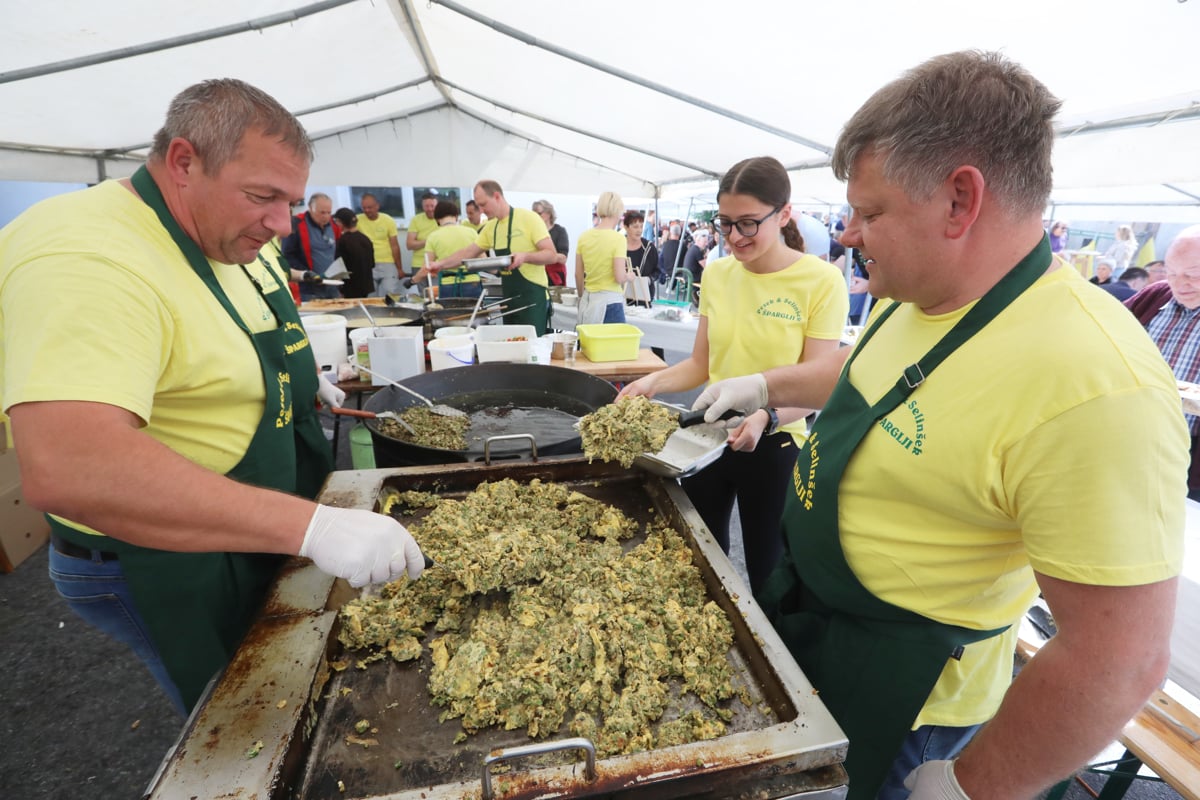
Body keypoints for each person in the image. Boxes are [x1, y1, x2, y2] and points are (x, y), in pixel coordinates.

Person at [692, 51, 1186, 800]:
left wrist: (972, 784)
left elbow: (1119, 658)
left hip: (913, 703)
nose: (850, 233)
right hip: (820, 631)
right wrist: (765, 382)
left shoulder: (1097, 382)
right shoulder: (914, 294)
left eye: (872, 212)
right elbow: (862, 374)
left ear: (960, 200)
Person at [0, 78, 425, 716]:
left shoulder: (225, 230)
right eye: (263, 197)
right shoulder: (85, 256)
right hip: (161, 554)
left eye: (292, 200)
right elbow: (72, 466)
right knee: (241, 716)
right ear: (183, 162)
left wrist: (305, 382)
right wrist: (314, 526)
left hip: (252, 522)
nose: (282, 223)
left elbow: (242, 331)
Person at [618, 156, 847, 595]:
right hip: (709, 433)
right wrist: (652, 382)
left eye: (747, 224)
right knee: (699, 555)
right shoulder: (720, 273)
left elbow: (817, 385)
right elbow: (701, 365)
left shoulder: (820, 281)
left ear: (783, 214)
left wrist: (767, 415)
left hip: (776, 442)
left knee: (767, 569)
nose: (734, 238)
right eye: (725, 223)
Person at [427, 179, 564, 335]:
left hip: (532, 299)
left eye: (484, 204)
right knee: (512, 346)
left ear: (497, 196)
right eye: (479, 206)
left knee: (532, 350)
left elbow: (551, 255)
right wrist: (440, 264)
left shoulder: (529, 218)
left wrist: (525, 256)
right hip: (509, 299)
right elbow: (468, 253)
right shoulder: (491, 227)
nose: (482, 210)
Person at [1125, 226, 1200, 501]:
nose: (1179, 283)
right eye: (1171, 272)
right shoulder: (1155, 296)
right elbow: (1105, 333)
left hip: (1190, 465)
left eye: (1192, 274)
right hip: (1129, 441)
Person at [575, 191, 631, 325]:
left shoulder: (584, 236)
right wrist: (628, 276)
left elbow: (578, 274)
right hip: (610, 303)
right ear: (618, 211)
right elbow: (619, 277)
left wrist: (582, 295)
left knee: (589, 345)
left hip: (588, 301)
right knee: (614, 345)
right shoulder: (618, 239)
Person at [411, 200, 481, 299]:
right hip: (473, 282)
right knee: (475, 313)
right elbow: (483, 260)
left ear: (437, 219)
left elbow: (426, 268)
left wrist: (412, 280)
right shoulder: (472, 232)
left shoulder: (433, 237)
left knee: (450, 314)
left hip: (448, 284)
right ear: (456, 216)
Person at [282, 192, 341, 301]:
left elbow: (337, 252)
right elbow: (287, 255)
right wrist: (307, 274)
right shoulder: (297, 224)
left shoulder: (333, 225)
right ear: (310, 208)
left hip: (331, 286)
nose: (326, 216)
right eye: (322, 212)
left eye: (329, 212)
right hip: (308, 289)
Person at [356, 192, 405, 296]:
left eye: (370, 207)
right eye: (364, 208)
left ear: (377, 206)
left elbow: (395, 246)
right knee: (370, 297)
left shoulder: (388, 220)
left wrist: (399, 268)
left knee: (389, 295)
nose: (367, 210)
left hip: (387, 263)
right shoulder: (357, 220)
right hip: (367, 265)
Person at [332, 207, 376, 299]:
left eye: (336, 221)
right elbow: (372, 263)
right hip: (365, 285)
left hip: (350, 286)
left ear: (341, 222)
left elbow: (339, 267)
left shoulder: (343, 241)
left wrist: (340, 288)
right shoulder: (365, 239)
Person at [623, 209, 659, 303]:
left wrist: (649, 279)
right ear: (626, 227)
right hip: (621, 298)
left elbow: (658, 271)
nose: (639, 230)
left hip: (644, 299)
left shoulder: (649, 248)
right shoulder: (618, 247)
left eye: (641, 226)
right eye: (635, 227)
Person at [533, 199, 570, 286]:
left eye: (539, 213)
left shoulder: (559, 231)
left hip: (554, 277)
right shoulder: (532, 232)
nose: (536, 217)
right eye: (534, 214)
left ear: (549, 213)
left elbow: (563, 258)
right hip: (536, 275)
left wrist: (546, 256)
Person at [406, 191, 440, 274]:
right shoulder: (416, 220)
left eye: (432, 206)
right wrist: (429, 240)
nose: (430, 209)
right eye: (426, 206)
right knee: (423, 288)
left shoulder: (442, 219)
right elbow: (409, 245)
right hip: (419, 264)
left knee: (437, 287)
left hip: (438, 264)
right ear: (422, 206)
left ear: (437, 206)